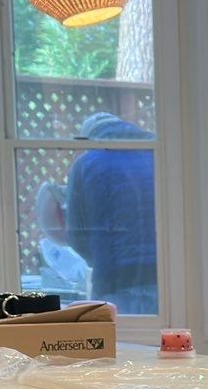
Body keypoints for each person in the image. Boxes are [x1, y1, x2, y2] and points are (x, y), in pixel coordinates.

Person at [64, 110, 157, 315]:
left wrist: (96, 259)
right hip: (169, 280)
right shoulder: (159, 155)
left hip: (116, 280)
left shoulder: (85, 164)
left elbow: (77, 234)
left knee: (119, 342)